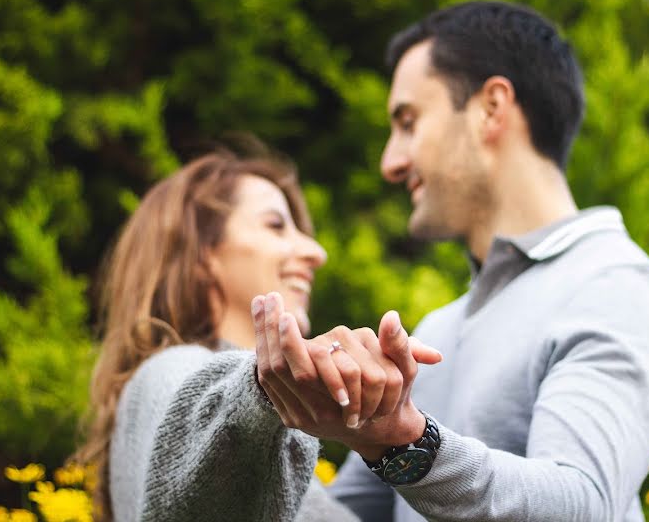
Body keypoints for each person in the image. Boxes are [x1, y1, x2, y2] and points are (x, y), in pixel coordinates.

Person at [252, 0, 649, 521]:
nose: (390, 163)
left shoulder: (615, 284)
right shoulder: (440, 326)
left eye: (409, 122)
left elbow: (583, 503)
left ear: (491, 108)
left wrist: (406, 444)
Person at [74, 145, 441, 522]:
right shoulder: (169, 372)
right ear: (201, 254)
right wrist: (261, 391)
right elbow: (207, 417)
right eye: (275, 225)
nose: (316, 252)